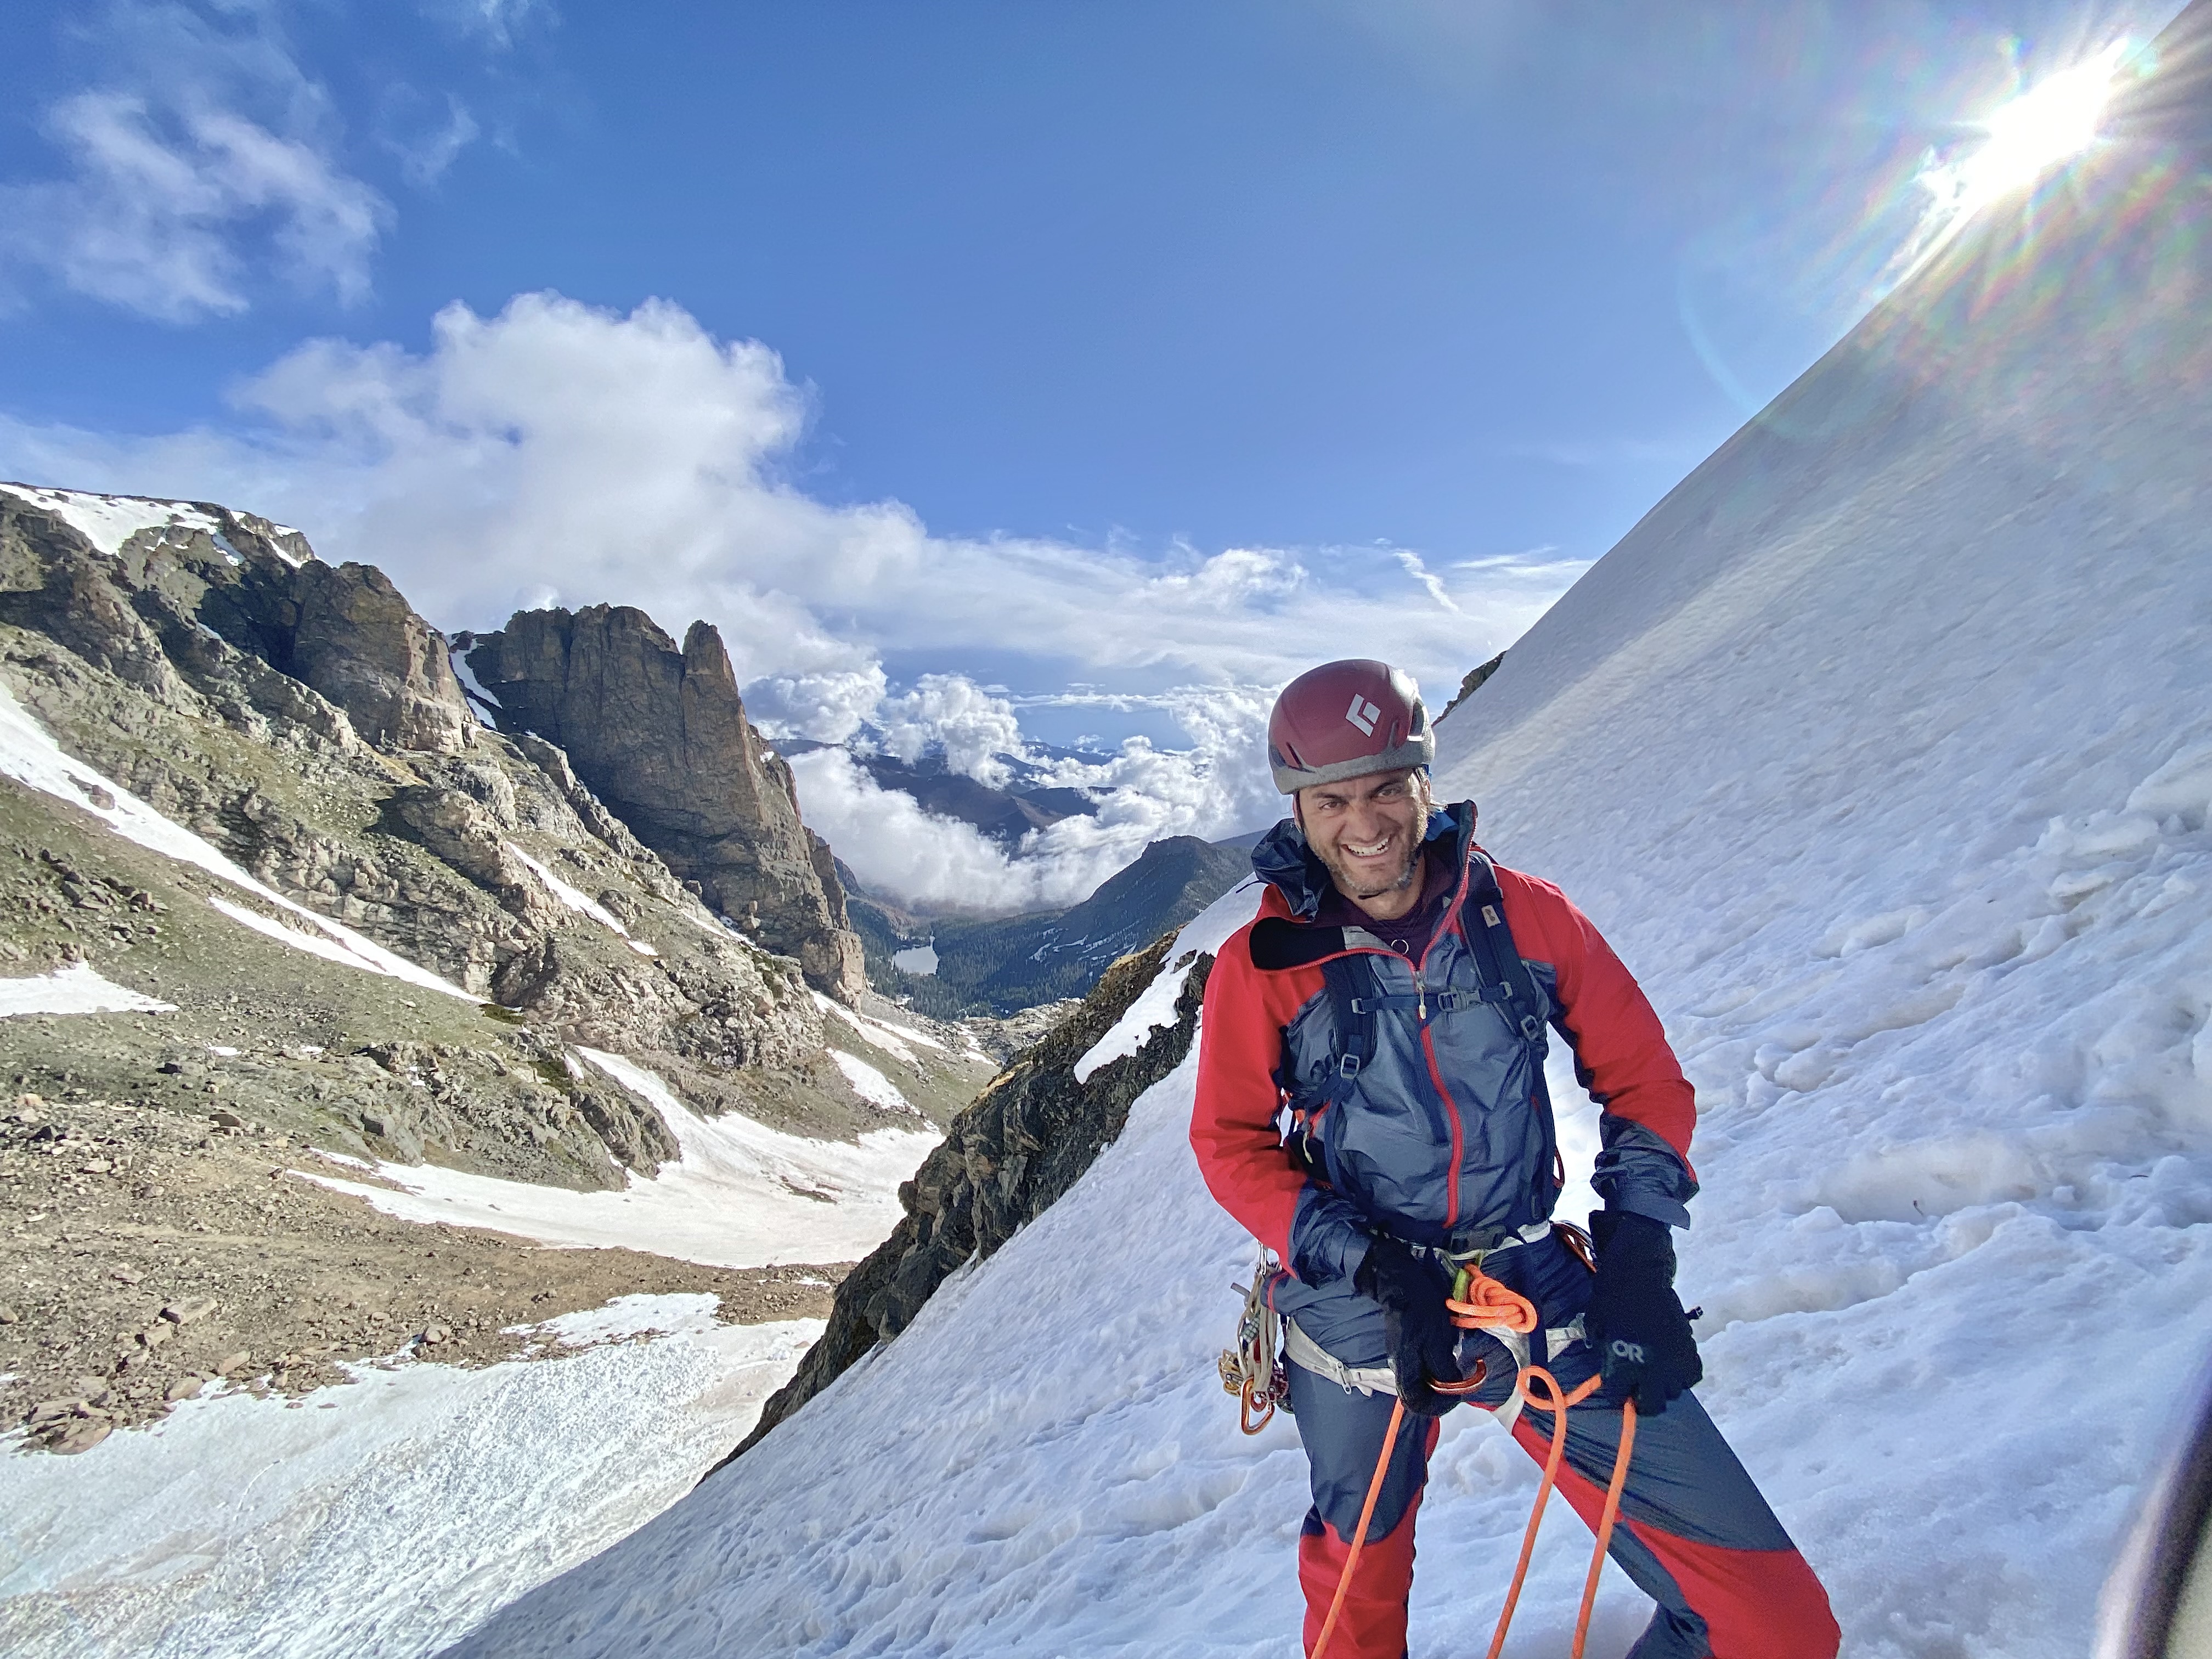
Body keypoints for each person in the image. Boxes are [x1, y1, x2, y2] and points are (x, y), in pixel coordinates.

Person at [1191, 659, 1839, 1659]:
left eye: (1385, 790)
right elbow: (1230, 1144)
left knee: (1776, 1630)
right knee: (1353, 1593)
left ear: (1424, 784)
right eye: (1333, 801)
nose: (1365, 824)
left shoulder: (1524, 917)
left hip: (1527, 1273)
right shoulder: (1262, 964)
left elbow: (1645, 1083)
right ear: (1299, 811)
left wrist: (1639, 1252)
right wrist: (1364, 1263)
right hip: (1360, 1295)